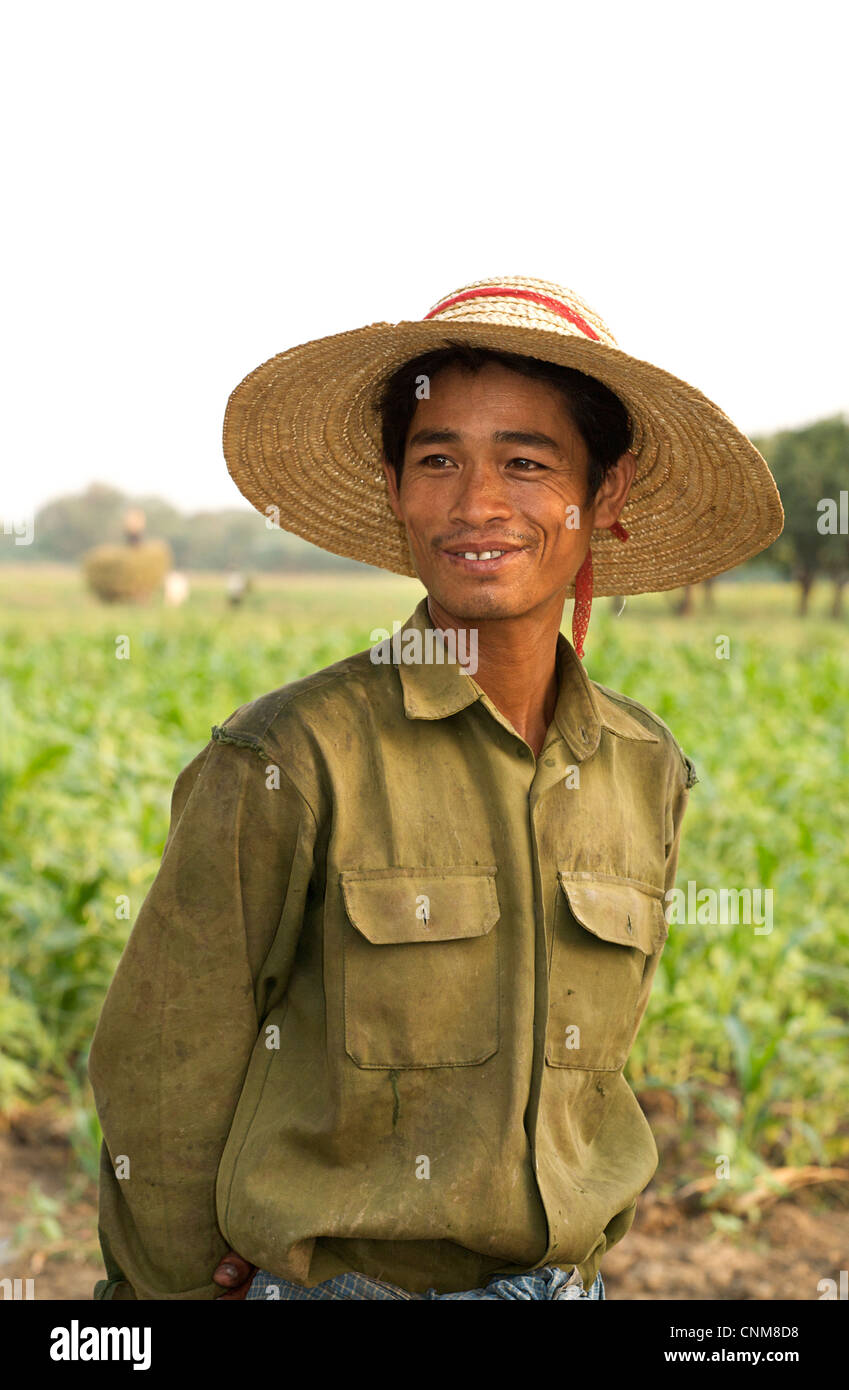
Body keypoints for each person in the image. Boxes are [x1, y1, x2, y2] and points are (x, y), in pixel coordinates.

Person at [87, 276, 783, 1301]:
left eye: (528, 463)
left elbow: (589, 1086)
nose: (477, 505)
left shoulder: (643, 768)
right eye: (438, 460)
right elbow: (162, 1070)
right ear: (394, 486)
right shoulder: (290, 757)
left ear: (608, 494)